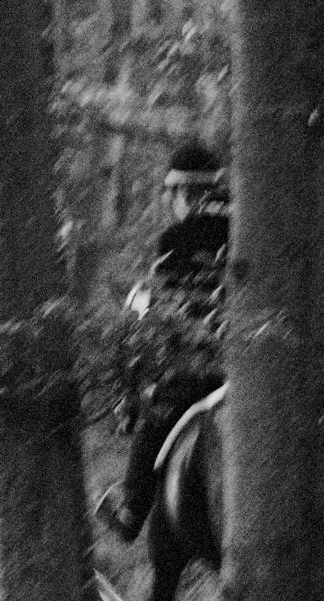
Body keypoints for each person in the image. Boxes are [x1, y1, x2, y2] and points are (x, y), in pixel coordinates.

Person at [99, 142, 229, 543]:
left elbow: (162, 311)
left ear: (184, 193)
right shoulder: (249, 228)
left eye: (173, 194)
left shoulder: (176, 239)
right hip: (252, 368)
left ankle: (132, 511)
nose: (173, 202)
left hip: (200, 373)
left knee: (154, 424)